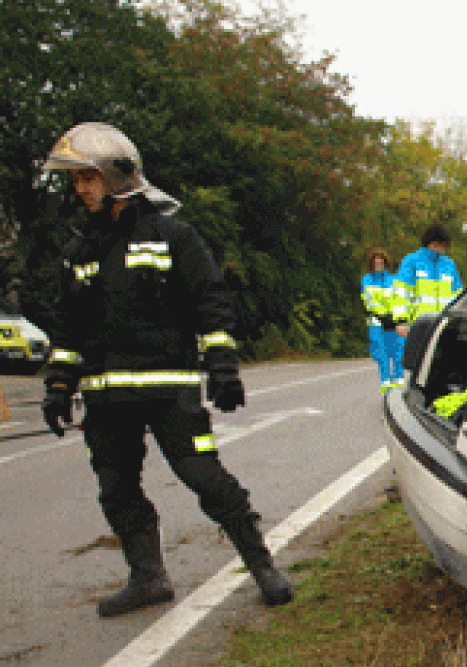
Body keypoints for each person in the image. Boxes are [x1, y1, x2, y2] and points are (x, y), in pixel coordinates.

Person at [38, 122, 293, 616]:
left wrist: (223, 367)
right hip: (107, 399)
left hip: (169, 389)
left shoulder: (173, 235)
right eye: (75, 181)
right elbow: (68, 328)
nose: (80, 190)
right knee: (116, 489)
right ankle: (148, 577)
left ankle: (263, 567)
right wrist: (57, 387)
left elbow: (210, 301)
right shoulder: (80, 251)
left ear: (115, 175)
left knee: (204, 477)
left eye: (87, 178)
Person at [394, 224, 460, 340]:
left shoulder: (450, 265)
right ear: (428, 243)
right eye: (436, 245)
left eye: (443, 245)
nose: (440, 249)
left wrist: (457, 320)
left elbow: (457, 295)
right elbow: (400, 292)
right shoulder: (411, 261)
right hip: (416, 325)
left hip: (442, 326)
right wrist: (401, 320)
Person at [360, 248, 403, 392]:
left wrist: (396, 318)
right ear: (371, 264)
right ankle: (385, 382)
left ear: (386, 263)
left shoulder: (394, 280)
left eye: (381, 262)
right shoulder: (366, 280)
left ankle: (398, 382)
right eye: (375, 262)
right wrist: (379, 315)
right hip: (376, 321)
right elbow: (368, 301)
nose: (378, 265)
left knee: (397, 351)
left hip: (392, 320)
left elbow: (398, 300)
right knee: (381, 352)